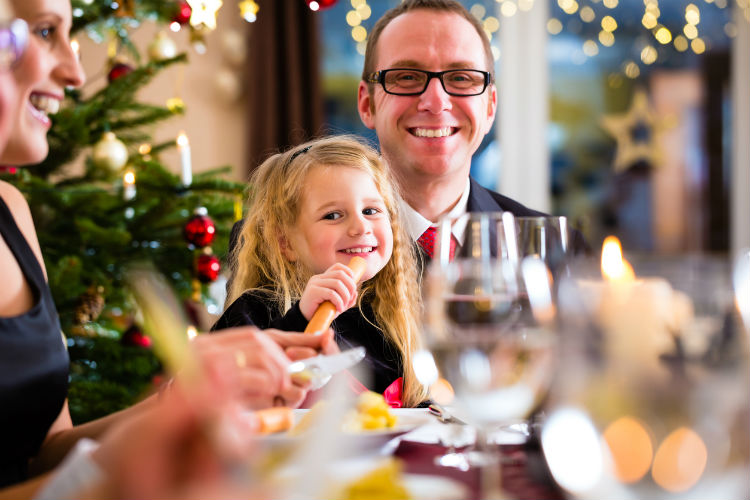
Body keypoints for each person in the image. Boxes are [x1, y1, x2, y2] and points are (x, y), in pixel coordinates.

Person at [0, 0, 325, 494]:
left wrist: (187, 396)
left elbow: (44, 451)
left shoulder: (12, 210)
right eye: (44, 31)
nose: (72, 69)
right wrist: (105, 479)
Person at [357, 0, 586, 258]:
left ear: (490, 108)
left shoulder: (560, 251)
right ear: (368, 104)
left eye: (461, 78)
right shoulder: (314, 254)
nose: (436, 103)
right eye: (407, 77)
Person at [213, 135, 425, 408]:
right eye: (333, 215)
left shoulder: (394, 318)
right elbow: (219, 395)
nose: (361, 227)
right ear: (286, 243)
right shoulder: (254, 311)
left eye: (371, 210)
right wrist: (301, 319)